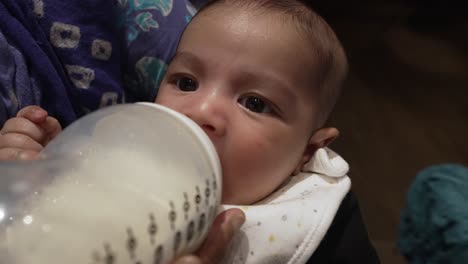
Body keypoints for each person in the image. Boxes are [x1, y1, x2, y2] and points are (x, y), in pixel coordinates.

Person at [0, 0, 380, 262]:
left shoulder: (318, 220)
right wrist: (55, 168)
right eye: (185, 82)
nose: (202, 111)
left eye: (255, 103)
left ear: (308, 152)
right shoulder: (126, 163)